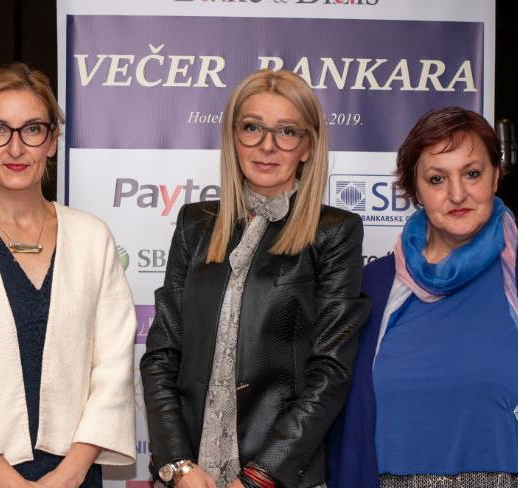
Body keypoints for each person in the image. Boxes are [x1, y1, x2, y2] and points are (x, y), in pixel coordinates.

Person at [328, 107, 518, 487]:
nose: (457, 193)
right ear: (415, 190)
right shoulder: (374, 286)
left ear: (496, 175)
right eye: (437, 179)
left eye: (472, 173)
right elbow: (343, 431)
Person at [140, 69, 370, 488]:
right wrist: (177, 464)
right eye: (252, 127)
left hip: (278, 477)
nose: (267, 145)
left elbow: (330, 371)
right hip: (190, 476)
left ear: (308, 146)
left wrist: (261, 476)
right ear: (233, 137)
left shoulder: (335, 232)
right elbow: (162, 354)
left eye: (287, 131)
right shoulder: (195, 224)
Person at [0, 62, 136, 488]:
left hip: (74, 476)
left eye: (32, 129)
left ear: (52, 140)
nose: (15, 148)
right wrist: (7, 481)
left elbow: (113, 367)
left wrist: (71, 472)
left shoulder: (92, 238)